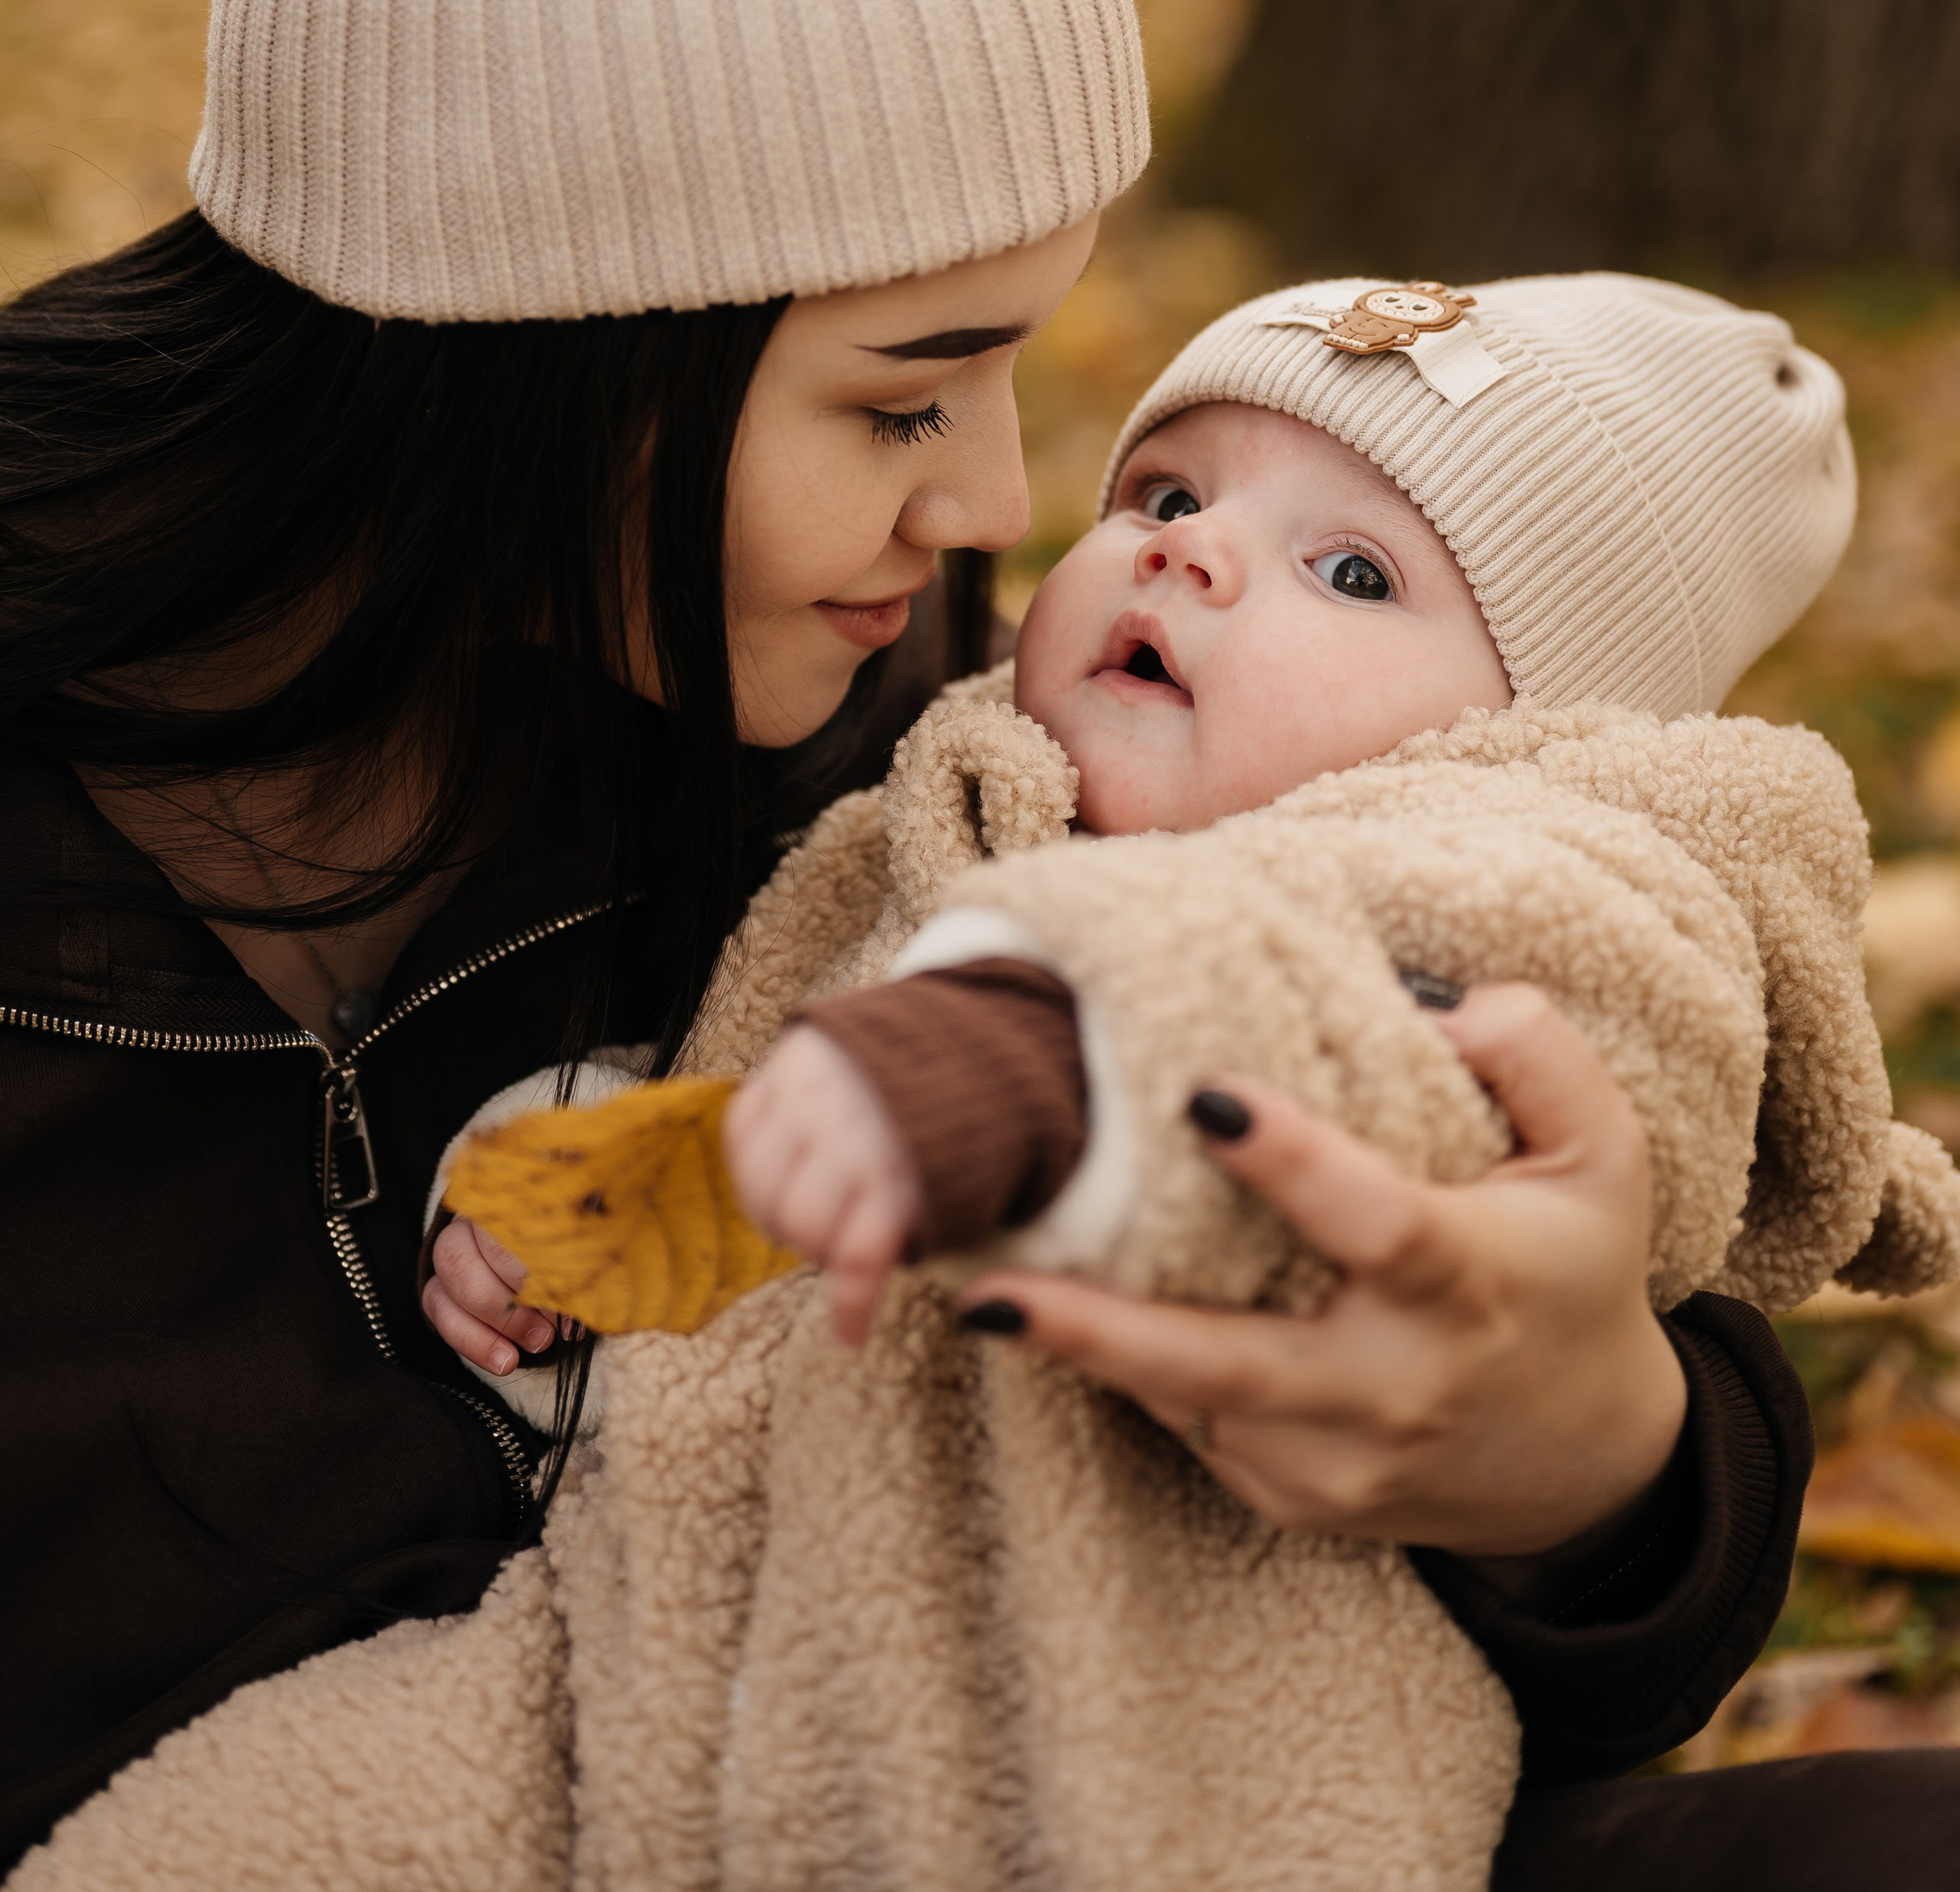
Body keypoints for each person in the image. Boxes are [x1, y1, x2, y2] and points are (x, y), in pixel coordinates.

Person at [0, 0, 1831, 1889]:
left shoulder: (893, 704)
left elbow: (1401, 1099)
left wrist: (1601, 1465)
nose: (998, 511)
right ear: (549, 355)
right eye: (908, 399)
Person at [368, 271, 1957, 1892]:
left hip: (1153, 1773)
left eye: (1348, 569)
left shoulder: (1518, 895)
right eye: (1165, 490)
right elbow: (753, 1065)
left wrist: (1036, 1049)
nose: (1184, 548)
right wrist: (580, 1191)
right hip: (675, 1715)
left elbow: (1333, 1030)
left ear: (1523, 741)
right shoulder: (924, 805)